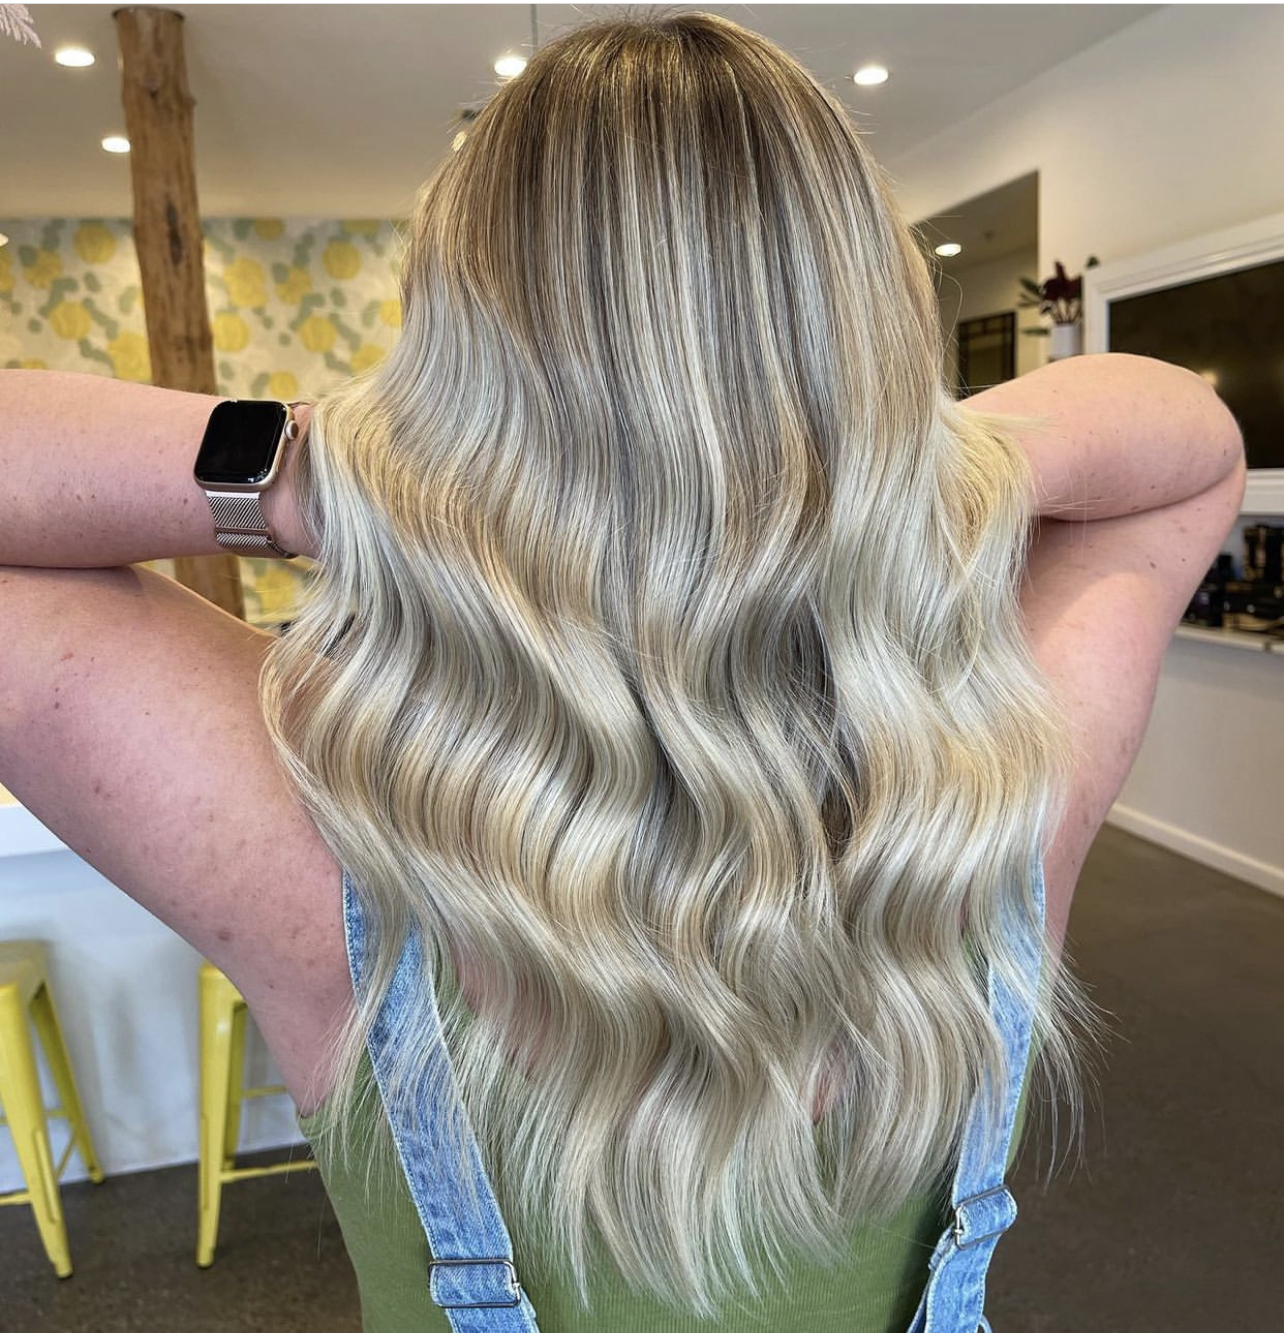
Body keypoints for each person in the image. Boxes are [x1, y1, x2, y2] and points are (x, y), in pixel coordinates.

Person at [0, 10, 1246, 1333]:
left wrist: (351, 480)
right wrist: (891, 475)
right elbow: (1188, 442)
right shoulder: (997, 797)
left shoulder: (318, 839)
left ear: (456, 364)